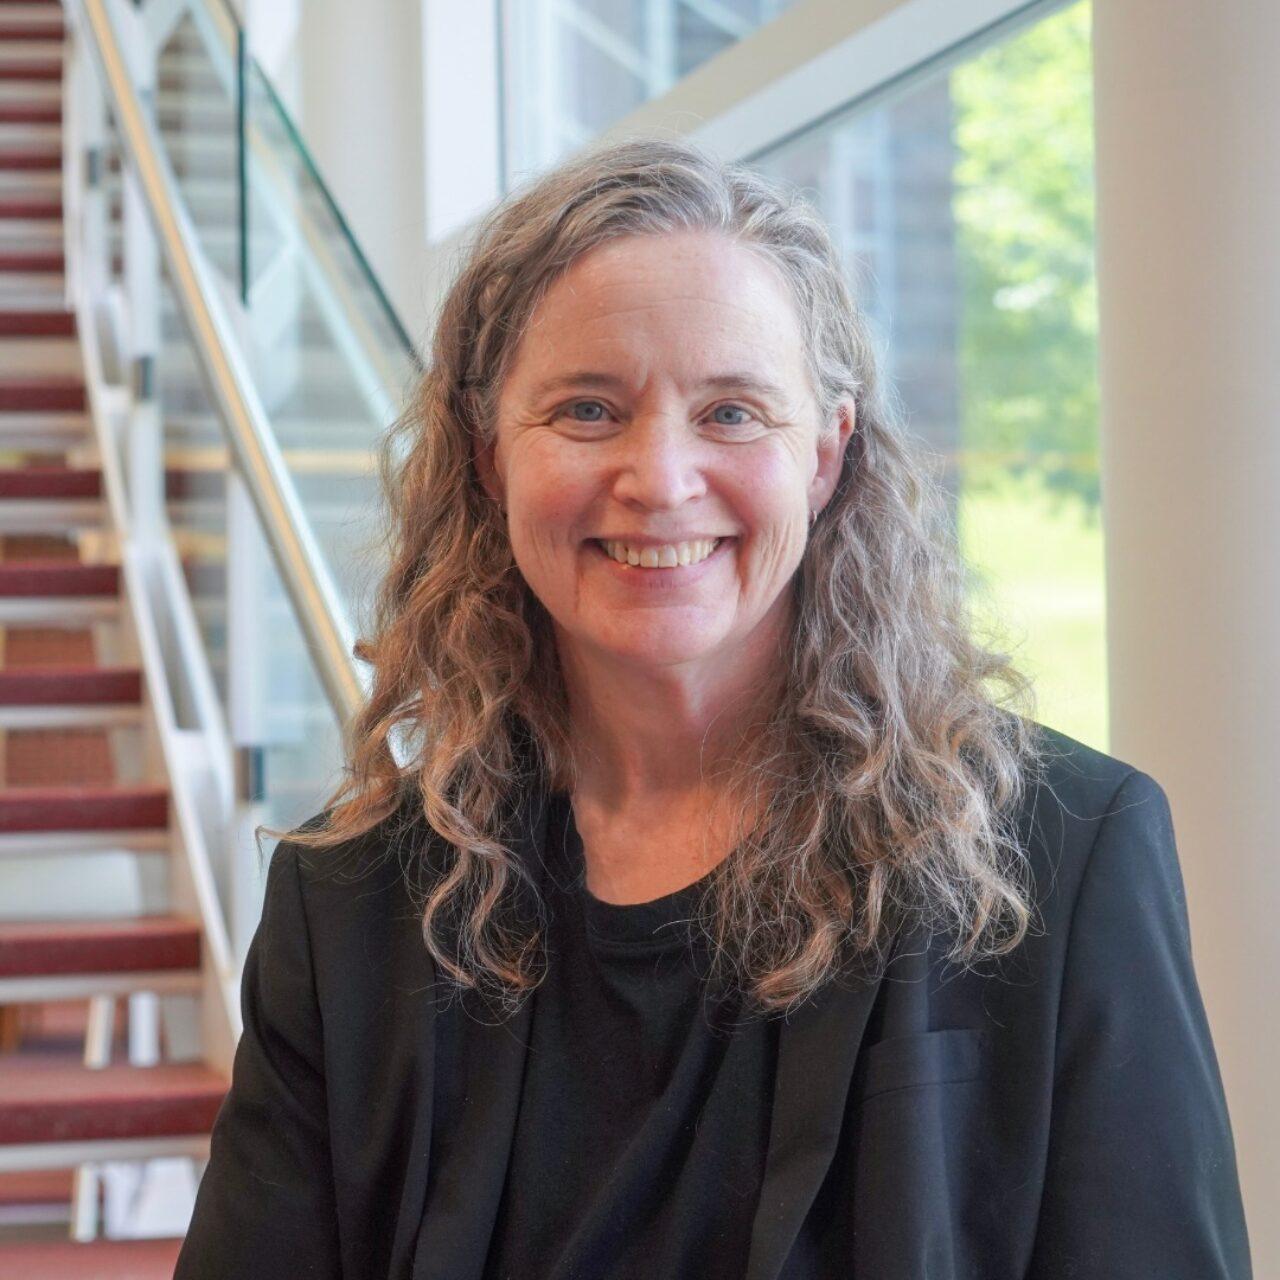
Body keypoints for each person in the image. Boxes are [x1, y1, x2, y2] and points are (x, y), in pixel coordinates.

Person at [174, 136, 1251, 1279]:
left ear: (825, 456)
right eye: (587, 409)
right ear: (490, 457)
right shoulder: (350, 908)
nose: (660, 477)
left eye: (732, 412)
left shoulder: (1062, 851)